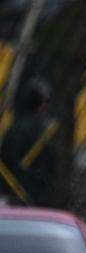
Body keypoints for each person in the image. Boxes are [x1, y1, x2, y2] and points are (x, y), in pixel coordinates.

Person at [0, 78, 59, 207]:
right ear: (43, 104)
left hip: (11, 191)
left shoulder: (12, 129)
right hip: (40, 192)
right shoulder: (47, 130)